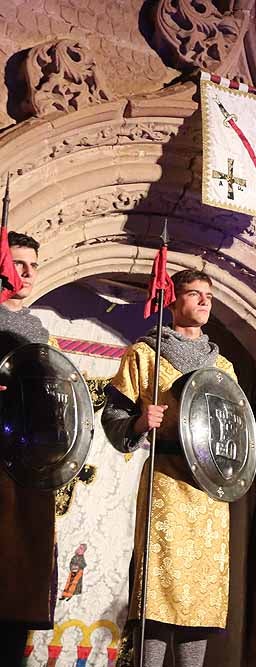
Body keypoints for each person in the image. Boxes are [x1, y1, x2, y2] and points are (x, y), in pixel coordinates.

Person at [102, 269, 236, 667]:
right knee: (156, 595)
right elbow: (113, 417)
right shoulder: (145, 354)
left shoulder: (224, 367)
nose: (204, 301)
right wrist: (142, 423)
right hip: (167, 484)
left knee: (201, 596)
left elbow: (234, 432)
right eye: (194, 294)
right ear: (173, 301)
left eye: (209, 295)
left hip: (209, 493)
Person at [0, 231, 59, 663]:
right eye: (19, 263)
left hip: (30, 475)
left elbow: (62, 406)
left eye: (34, 265)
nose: (28, 273)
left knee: (20, 593)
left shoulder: (43, 337)